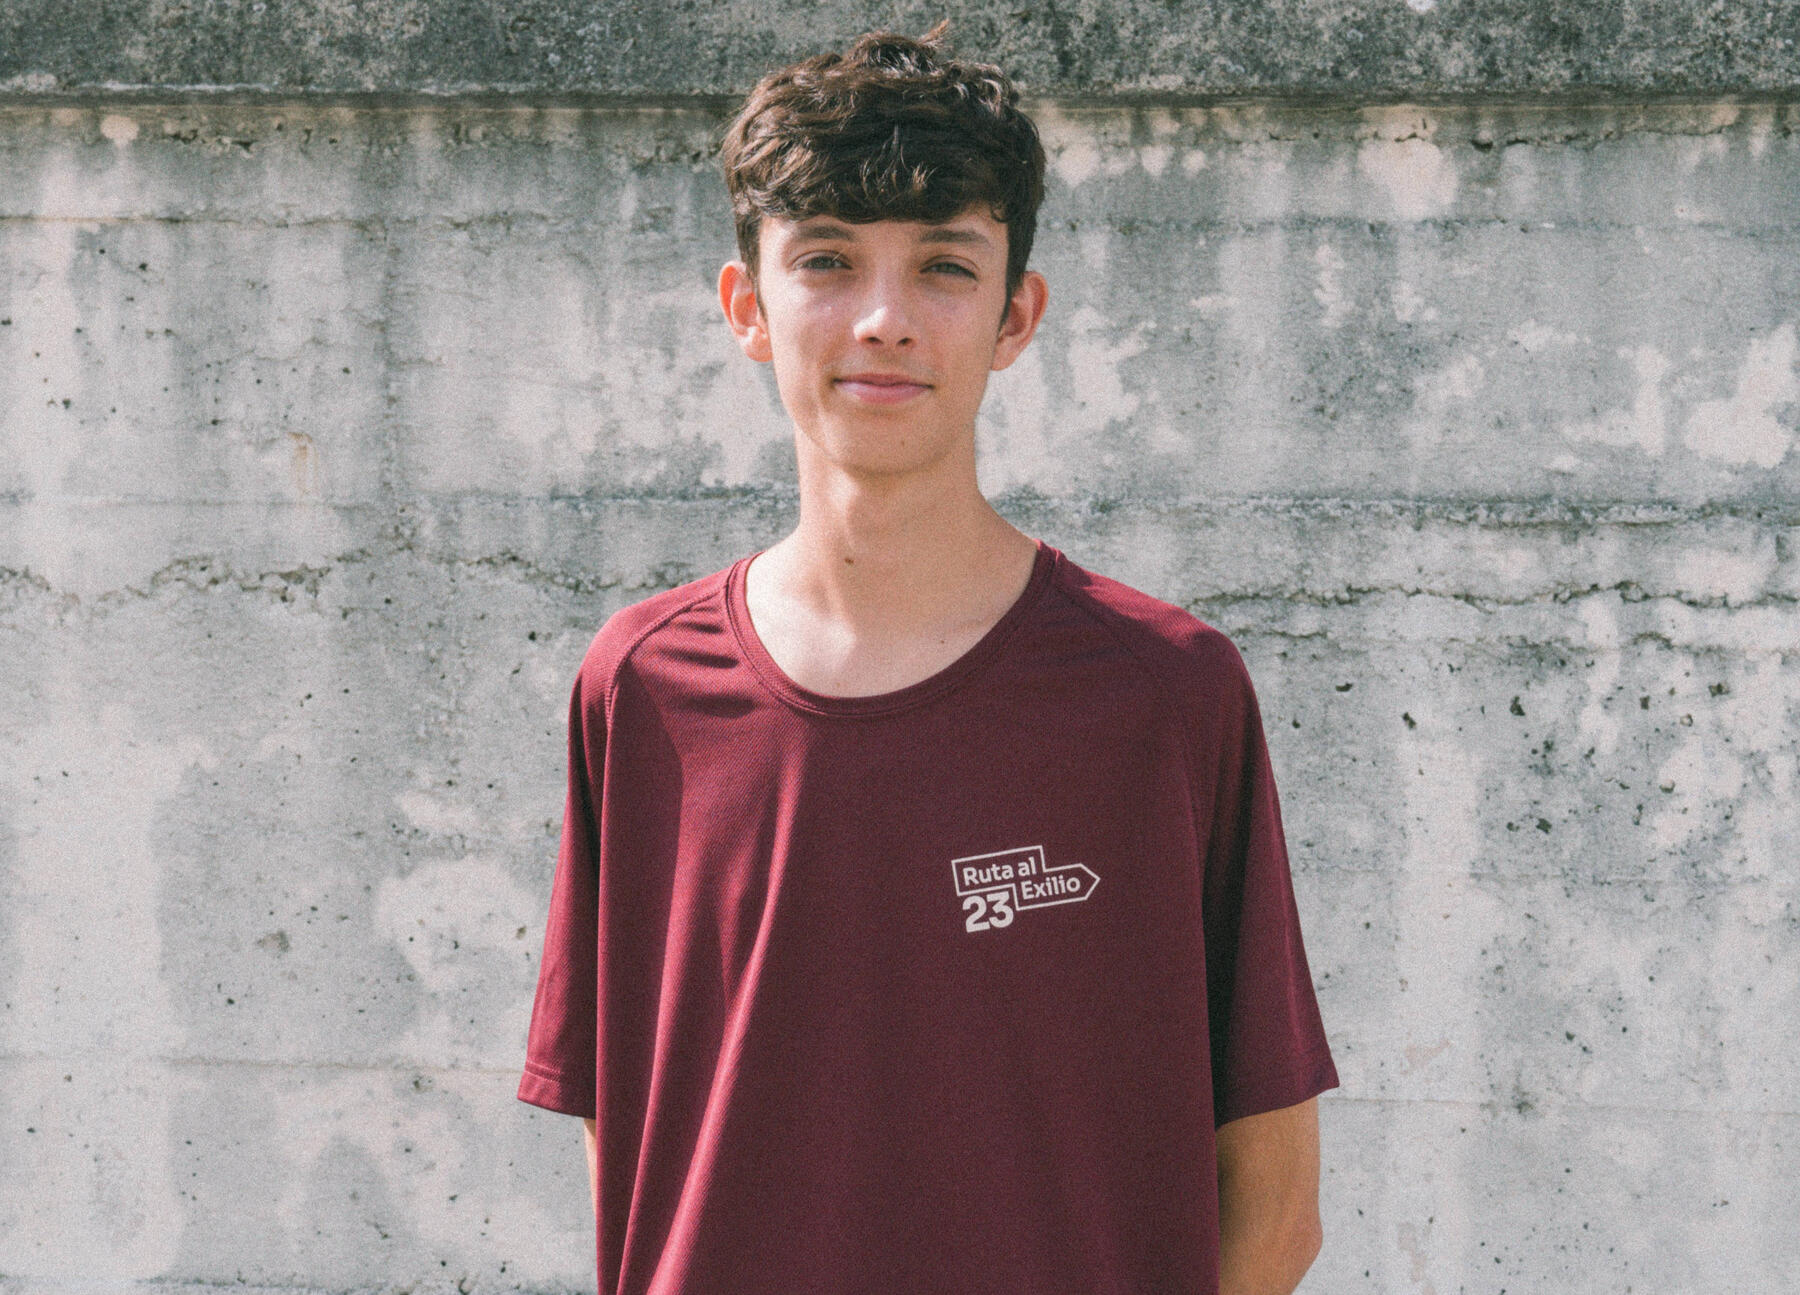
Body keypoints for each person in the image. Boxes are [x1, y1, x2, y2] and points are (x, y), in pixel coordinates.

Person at [517, 21, 1338, 1295]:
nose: (885, 319)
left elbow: (1275, 1213)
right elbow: (630, 1161)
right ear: (747, 307)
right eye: (828, 261)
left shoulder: (1165, 696)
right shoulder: (640, 690)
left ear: (1017, 315)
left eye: (945, 267)